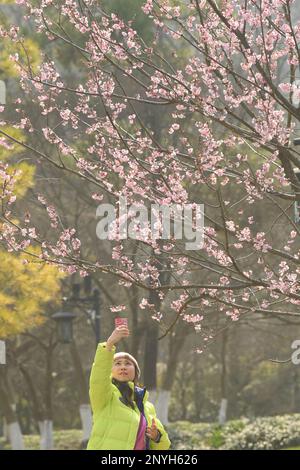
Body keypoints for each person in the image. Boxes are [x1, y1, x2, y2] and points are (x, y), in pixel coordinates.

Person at [87, 325, 171, 450]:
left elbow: (164, 446)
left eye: (128, 363)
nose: (123, 367)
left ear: (136, 372)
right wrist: (109, 345)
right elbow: (98, 378)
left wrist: (157, 436)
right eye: (117, 364)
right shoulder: (105, 396)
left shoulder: (146, 405)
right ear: (110, 371)